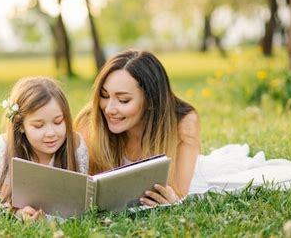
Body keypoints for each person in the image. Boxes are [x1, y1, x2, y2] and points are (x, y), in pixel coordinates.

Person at [75, 50, 200, 206]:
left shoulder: (183, 123)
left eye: (123, 100)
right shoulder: (90, 120)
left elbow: (179, 192)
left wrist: (171, 201)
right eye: (105, 96)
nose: (109, 109)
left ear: (150, 100)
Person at [0, 77, 88, 220]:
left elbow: (79, 201)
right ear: (21, 125)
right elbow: (2, 201)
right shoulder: (5, 147)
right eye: (38, 126)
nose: (51, 133)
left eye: (58, 122)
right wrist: (17, 212)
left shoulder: (76, 146)